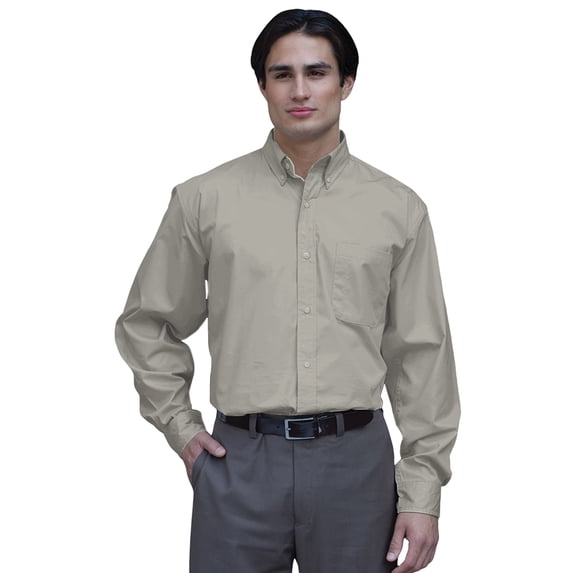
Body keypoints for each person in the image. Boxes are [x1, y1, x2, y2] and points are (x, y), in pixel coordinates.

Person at [115, 8, 460, 573]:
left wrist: (422, 492)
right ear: (262, 86)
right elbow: (148, 322)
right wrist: (182, 428)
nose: (300, 90)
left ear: (346, 82)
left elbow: (422, 354)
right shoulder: (204, 200)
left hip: (357, 467)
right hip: (239, 463)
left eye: (317, 72)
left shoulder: (398, 209)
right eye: (282, 74)